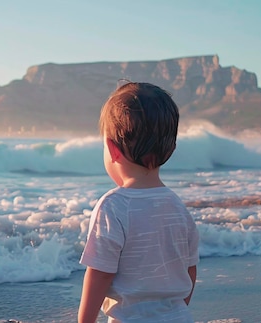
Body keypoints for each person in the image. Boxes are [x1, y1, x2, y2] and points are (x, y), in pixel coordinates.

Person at [78, 82, 200, 323]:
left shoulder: (113, 206)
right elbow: (189, 270)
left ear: (112, 150)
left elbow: (100, 275)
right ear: (170, 149)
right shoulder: (177, 206)